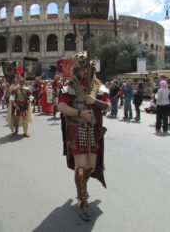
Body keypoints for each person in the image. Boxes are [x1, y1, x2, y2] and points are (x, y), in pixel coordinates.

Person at [58, 51, 111, 221]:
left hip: (94, 131)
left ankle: (82, 187)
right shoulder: (70, 86)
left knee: (92, 166)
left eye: (86, 68)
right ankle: (82, 200)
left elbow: (108, 107)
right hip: (77, 128)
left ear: (91, 68)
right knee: (80, 167)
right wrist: (80, 112)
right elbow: (61, 106)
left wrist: (94, 101)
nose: (84, 72)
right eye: (81, 70)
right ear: (76, 70)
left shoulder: (99, 86)